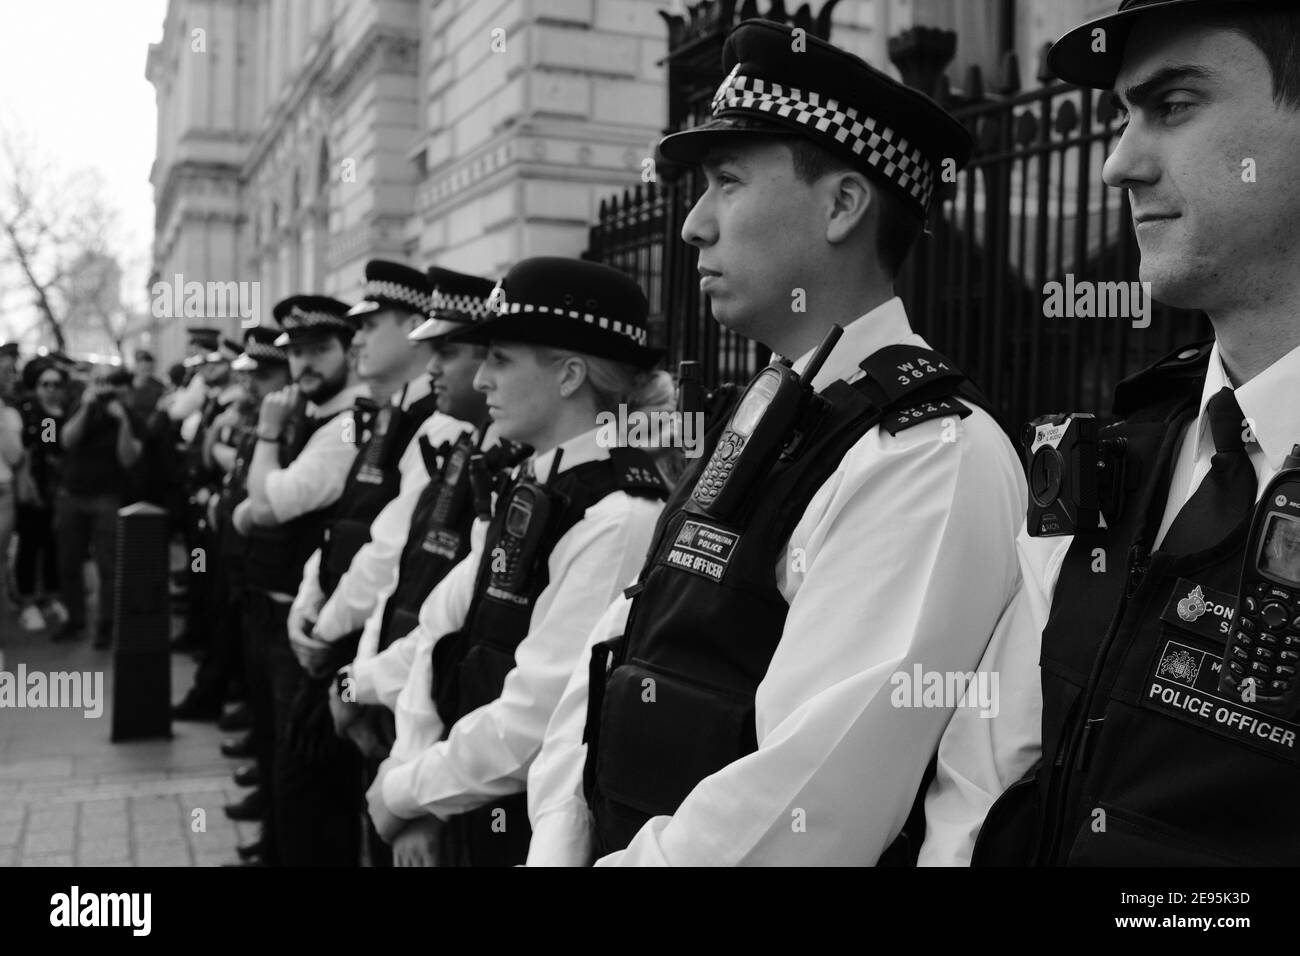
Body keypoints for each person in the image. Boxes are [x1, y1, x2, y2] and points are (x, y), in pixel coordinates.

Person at [520, 21, 1025, 867]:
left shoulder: (926, 455)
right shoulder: (763, 415)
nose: (693, 226)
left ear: (841, 204)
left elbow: (808, 803)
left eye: (726, 183)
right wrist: (558, 844)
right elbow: (622, 642)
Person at [919, 0, 1300, 867]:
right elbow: (980, 784)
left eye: (1172, 106)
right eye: (1121, 117)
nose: (1116, 165)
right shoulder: (1120, 456)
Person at [352, 258, 673, 868]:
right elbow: (440, 637)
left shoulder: (616, 513)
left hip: (524, 834)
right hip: (462, 804)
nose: (481, 381)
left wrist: (408, 793)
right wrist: (413, 785)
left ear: (570, 374)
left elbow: (536, 720)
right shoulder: (528, 480)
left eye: (501, 359)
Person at [275, 260, 471, 867]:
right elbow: (357, 528)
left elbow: (394, 564)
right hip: (364, 656)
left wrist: (333, 643)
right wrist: (312, 612)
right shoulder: (392, 416)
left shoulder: (440, 427)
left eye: (372, 324)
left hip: (394, 672)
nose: (357, 338)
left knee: (338, 816)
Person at [225, 296, 368, 859]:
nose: (305, 364)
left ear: (347, 352)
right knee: (274, 753)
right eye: (297, 353)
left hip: (306, 625)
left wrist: (265, 436)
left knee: (304, 780)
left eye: (319, 351)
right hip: (271, 604)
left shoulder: (347, 424)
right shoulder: (304, 414)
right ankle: (272, 847)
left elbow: (268, 506)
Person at [53, 366, 146, 647]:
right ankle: (75, 620)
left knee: (108, 565)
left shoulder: (129, 416)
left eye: (111, 386)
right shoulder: (80, 406)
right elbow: (66, 440)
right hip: (72, 495)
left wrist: (122, 422)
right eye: (101, 384)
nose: (105, 391)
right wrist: (85, 408)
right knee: (68, 562)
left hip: (107, 497)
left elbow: (129, 458)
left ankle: (106, 624)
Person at [14, 361, 70, 632]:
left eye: (56, 385)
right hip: (36, 490)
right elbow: (47, 450)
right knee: (30, 545)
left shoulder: (65, 412)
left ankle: (51, 595)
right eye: (45, 384)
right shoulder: (40, 416)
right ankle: (28, 601)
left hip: (59, 493)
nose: (50, 390)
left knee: (52, 545)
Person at [128, 349, 166, 420]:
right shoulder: (126, 384)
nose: (147, 373)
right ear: (136, 367)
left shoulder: (159, 386)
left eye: (150, 370)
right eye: (144, 370)